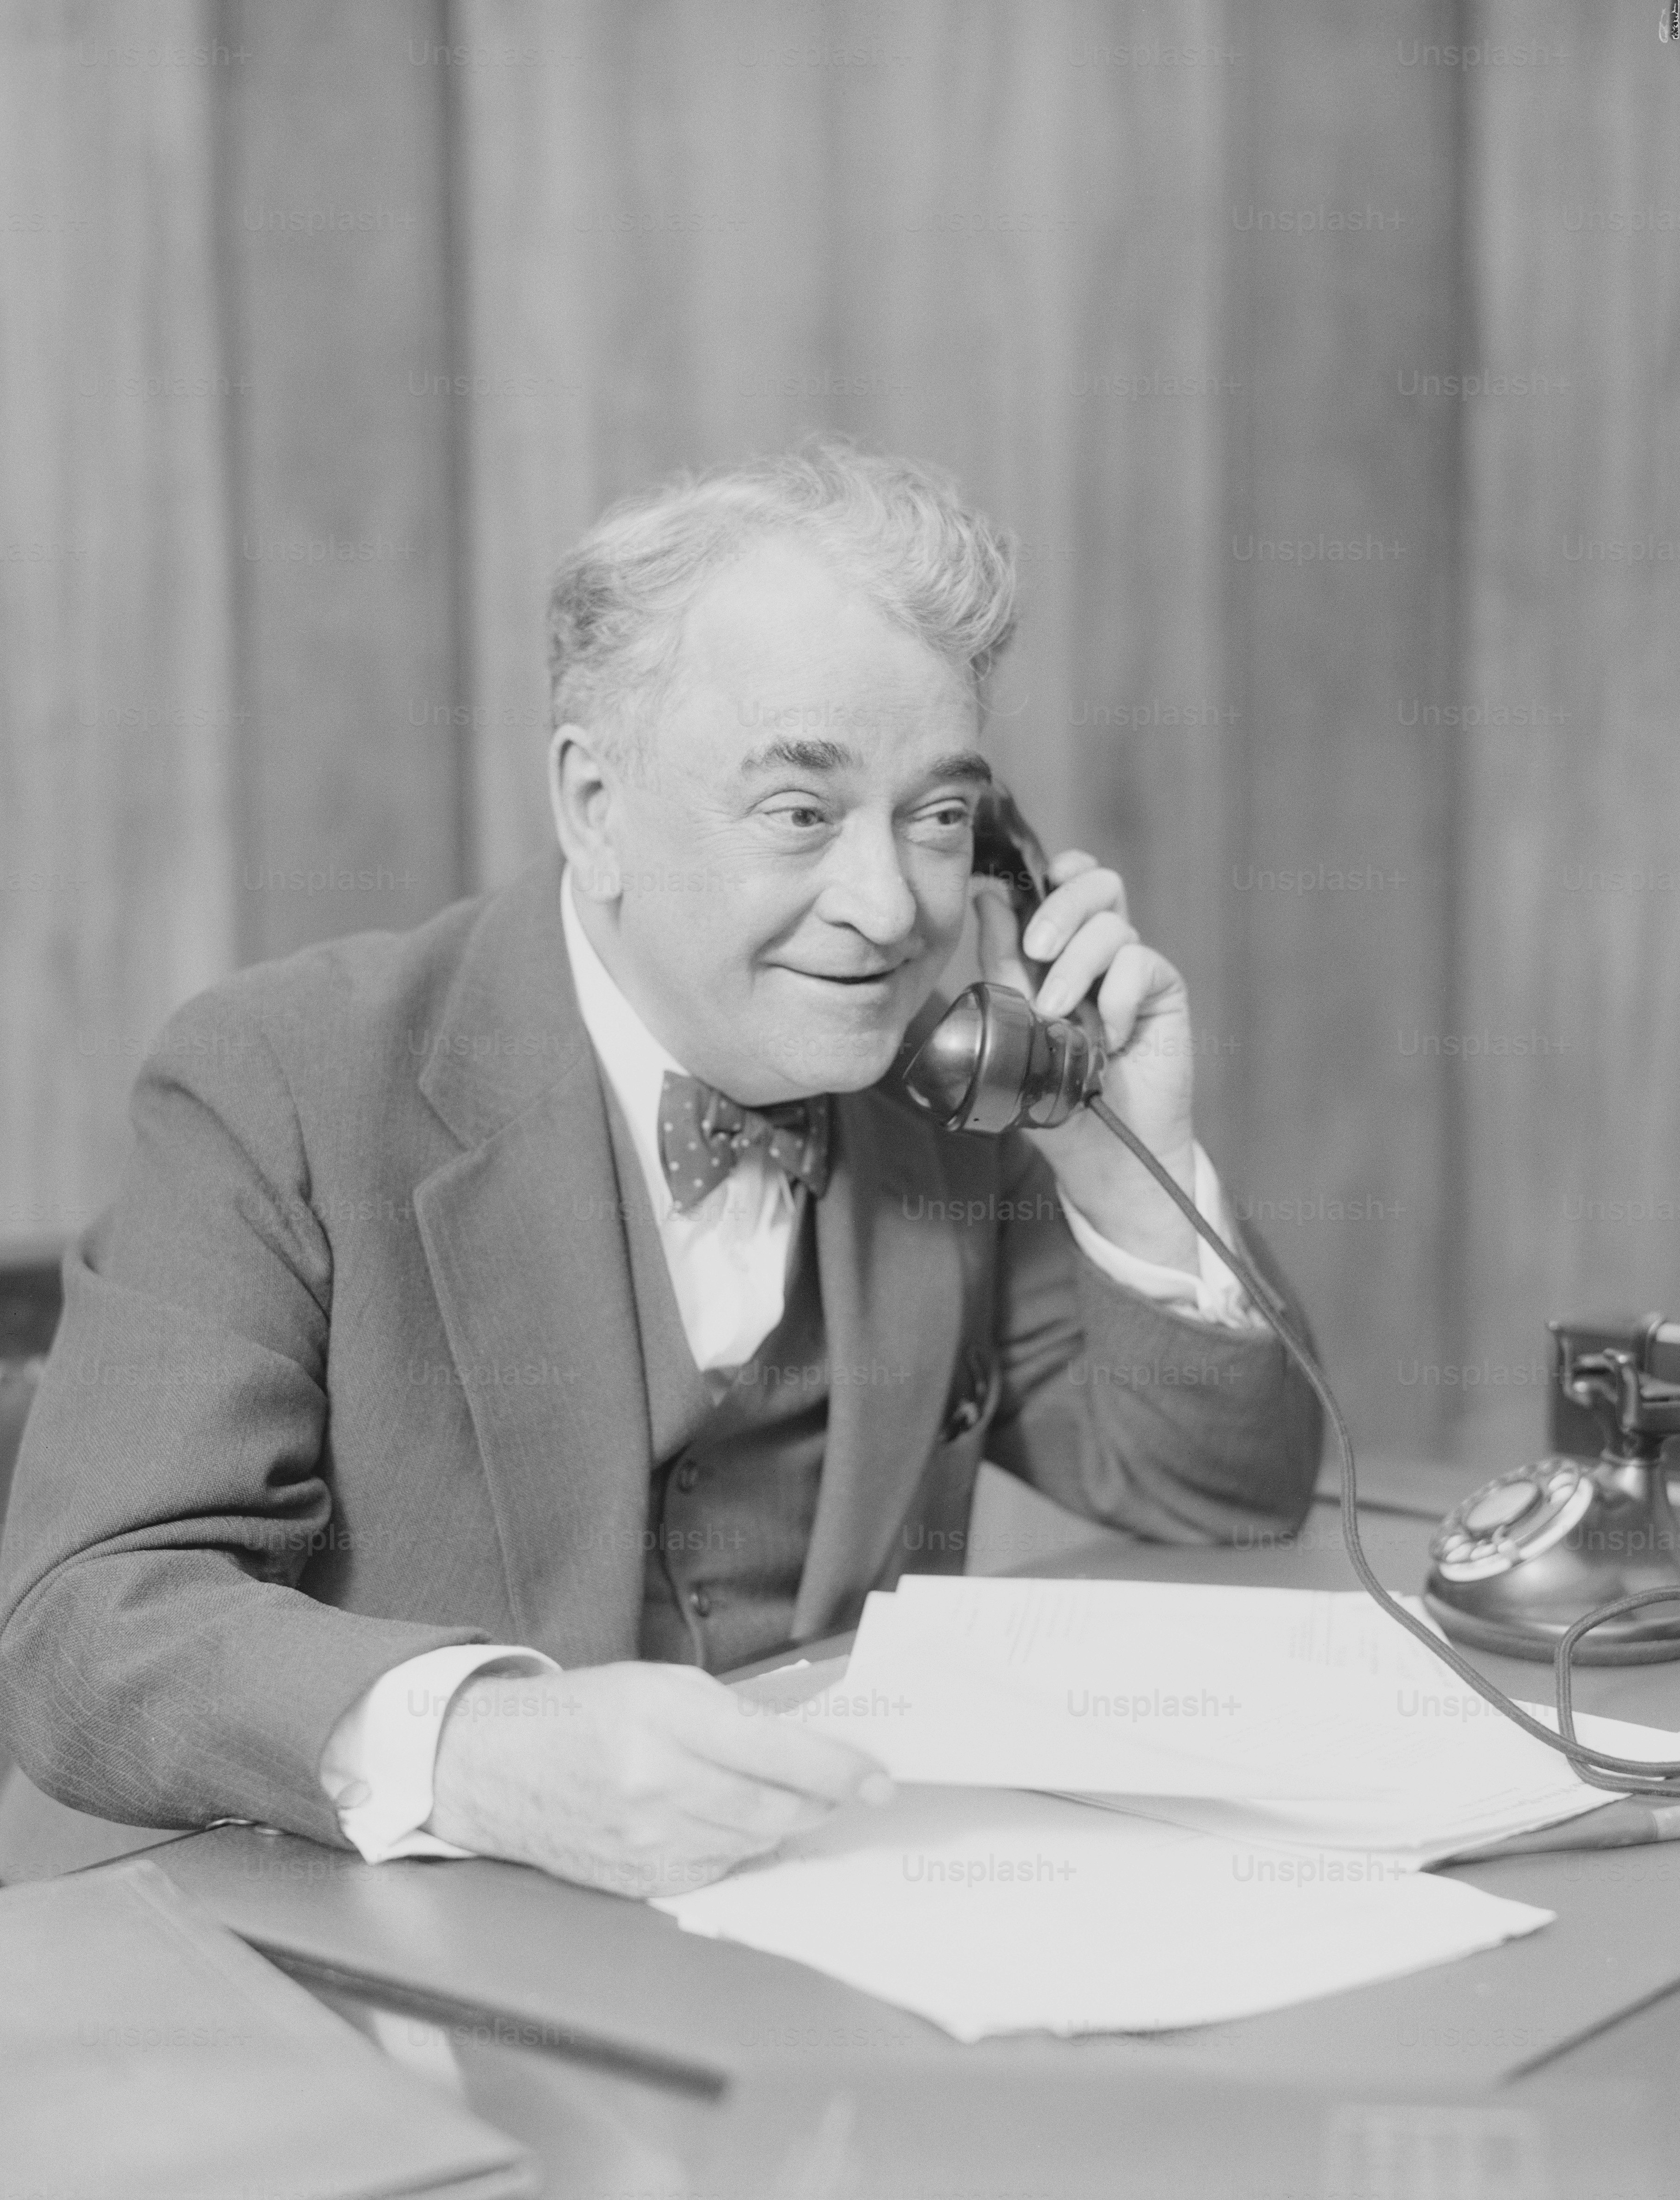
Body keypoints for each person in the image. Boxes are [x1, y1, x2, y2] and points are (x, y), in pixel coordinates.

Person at [0, 441, 1321, 1898]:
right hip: (366, 1951)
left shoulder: (950, 1097)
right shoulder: (283, 1079)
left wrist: (1119, 1151)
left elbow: (1231, 1494)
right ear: (594, 807)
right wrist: (480, 1750)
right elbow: (89, 1625)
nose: (888, 908)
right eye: (799, 814)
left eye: (939, 820)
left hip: (803, 1940)